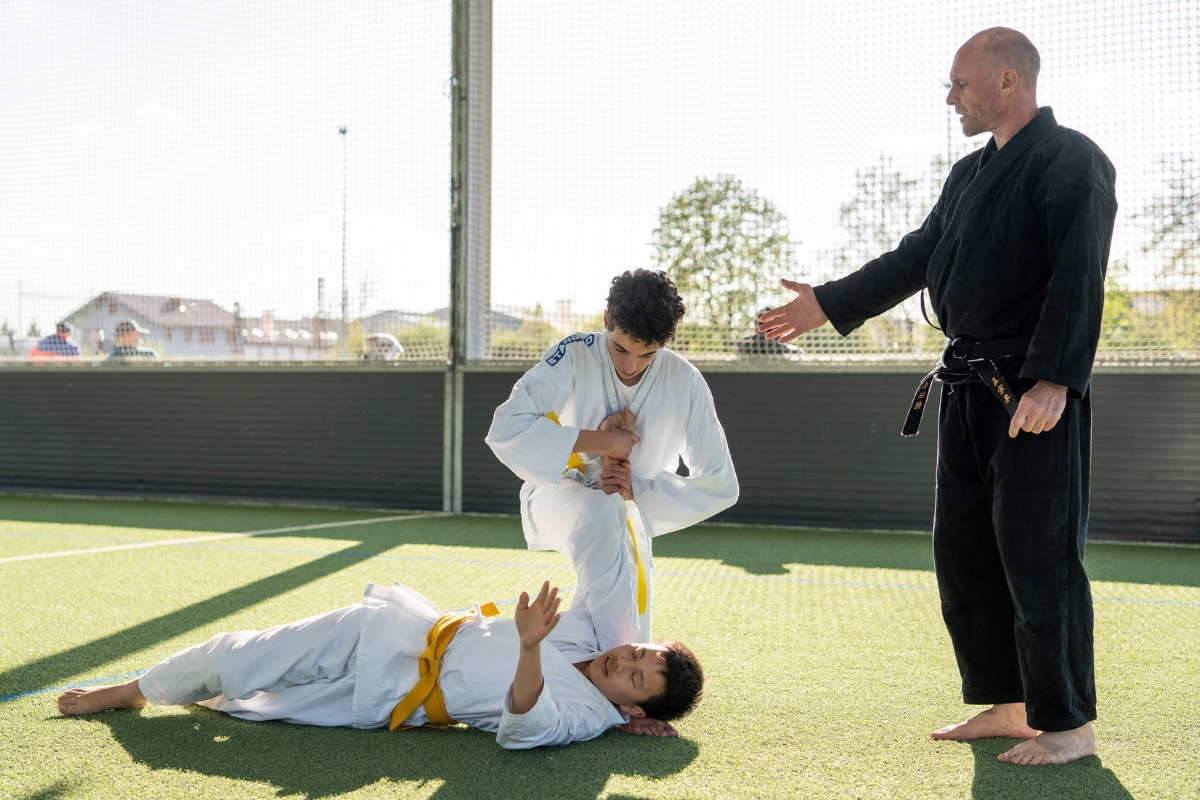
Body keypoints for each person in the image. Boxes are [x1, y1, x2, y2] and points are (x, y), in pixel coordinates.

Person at [758, 28, 1116, 767]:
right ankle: (1010, 704)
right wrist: (825, 303)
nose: (950, 98)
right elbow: (917, 258)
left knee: (1038, 553)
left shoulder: (1072, 160)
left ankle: (1070, 723)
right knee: (967, 551)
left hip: (1030, 389)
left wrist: (1054, 379)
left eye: (959, 84)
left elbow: (1081, 271)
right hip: (966, 386)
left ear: (1008, 81)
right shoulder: (966, 175)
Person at [57, 570, 704, 749]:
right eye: (640, 652)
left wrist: (530, 648)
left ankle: (176, 690)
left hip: (396, 700)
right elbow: (611, 560)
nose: (627, 660)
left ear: (631, 704)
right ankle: (136, 689)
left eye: (639, 678)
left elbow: (523, 729)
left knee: (255, 707)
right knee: (245, 653)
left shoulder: (587, 716)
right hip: (403, 629)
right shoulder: (593, 634)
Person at [486, 269, 740, 650]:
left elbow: (721, 484)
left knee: (631, 635)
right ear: (607, 321)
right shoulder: (574, 354)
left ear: (667, 341)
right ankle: (613, 691)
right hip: (560, 494)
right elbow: (507, 428)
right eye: (621, 349)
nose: (630, 366)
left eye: (647, 354)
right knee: (605, 515)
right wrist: (604, 441)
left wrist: (635, 494)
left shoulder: (685, 380)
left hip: (629, 512)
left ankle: (573, 675)